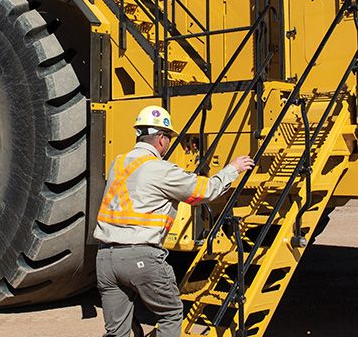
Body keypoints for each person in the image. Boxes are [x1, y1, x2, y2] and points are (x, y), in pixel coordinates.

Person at [94, 105, 255, 337]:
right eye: (169, 138)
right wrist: (232, 169)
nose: (169, 143)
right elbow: (204, 191)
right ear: (161, 139)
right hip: (141, 257)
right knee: (171, 313)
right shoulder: (161, 170)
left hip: (105, 259)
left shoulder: (117, 163)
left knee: (116, 331)